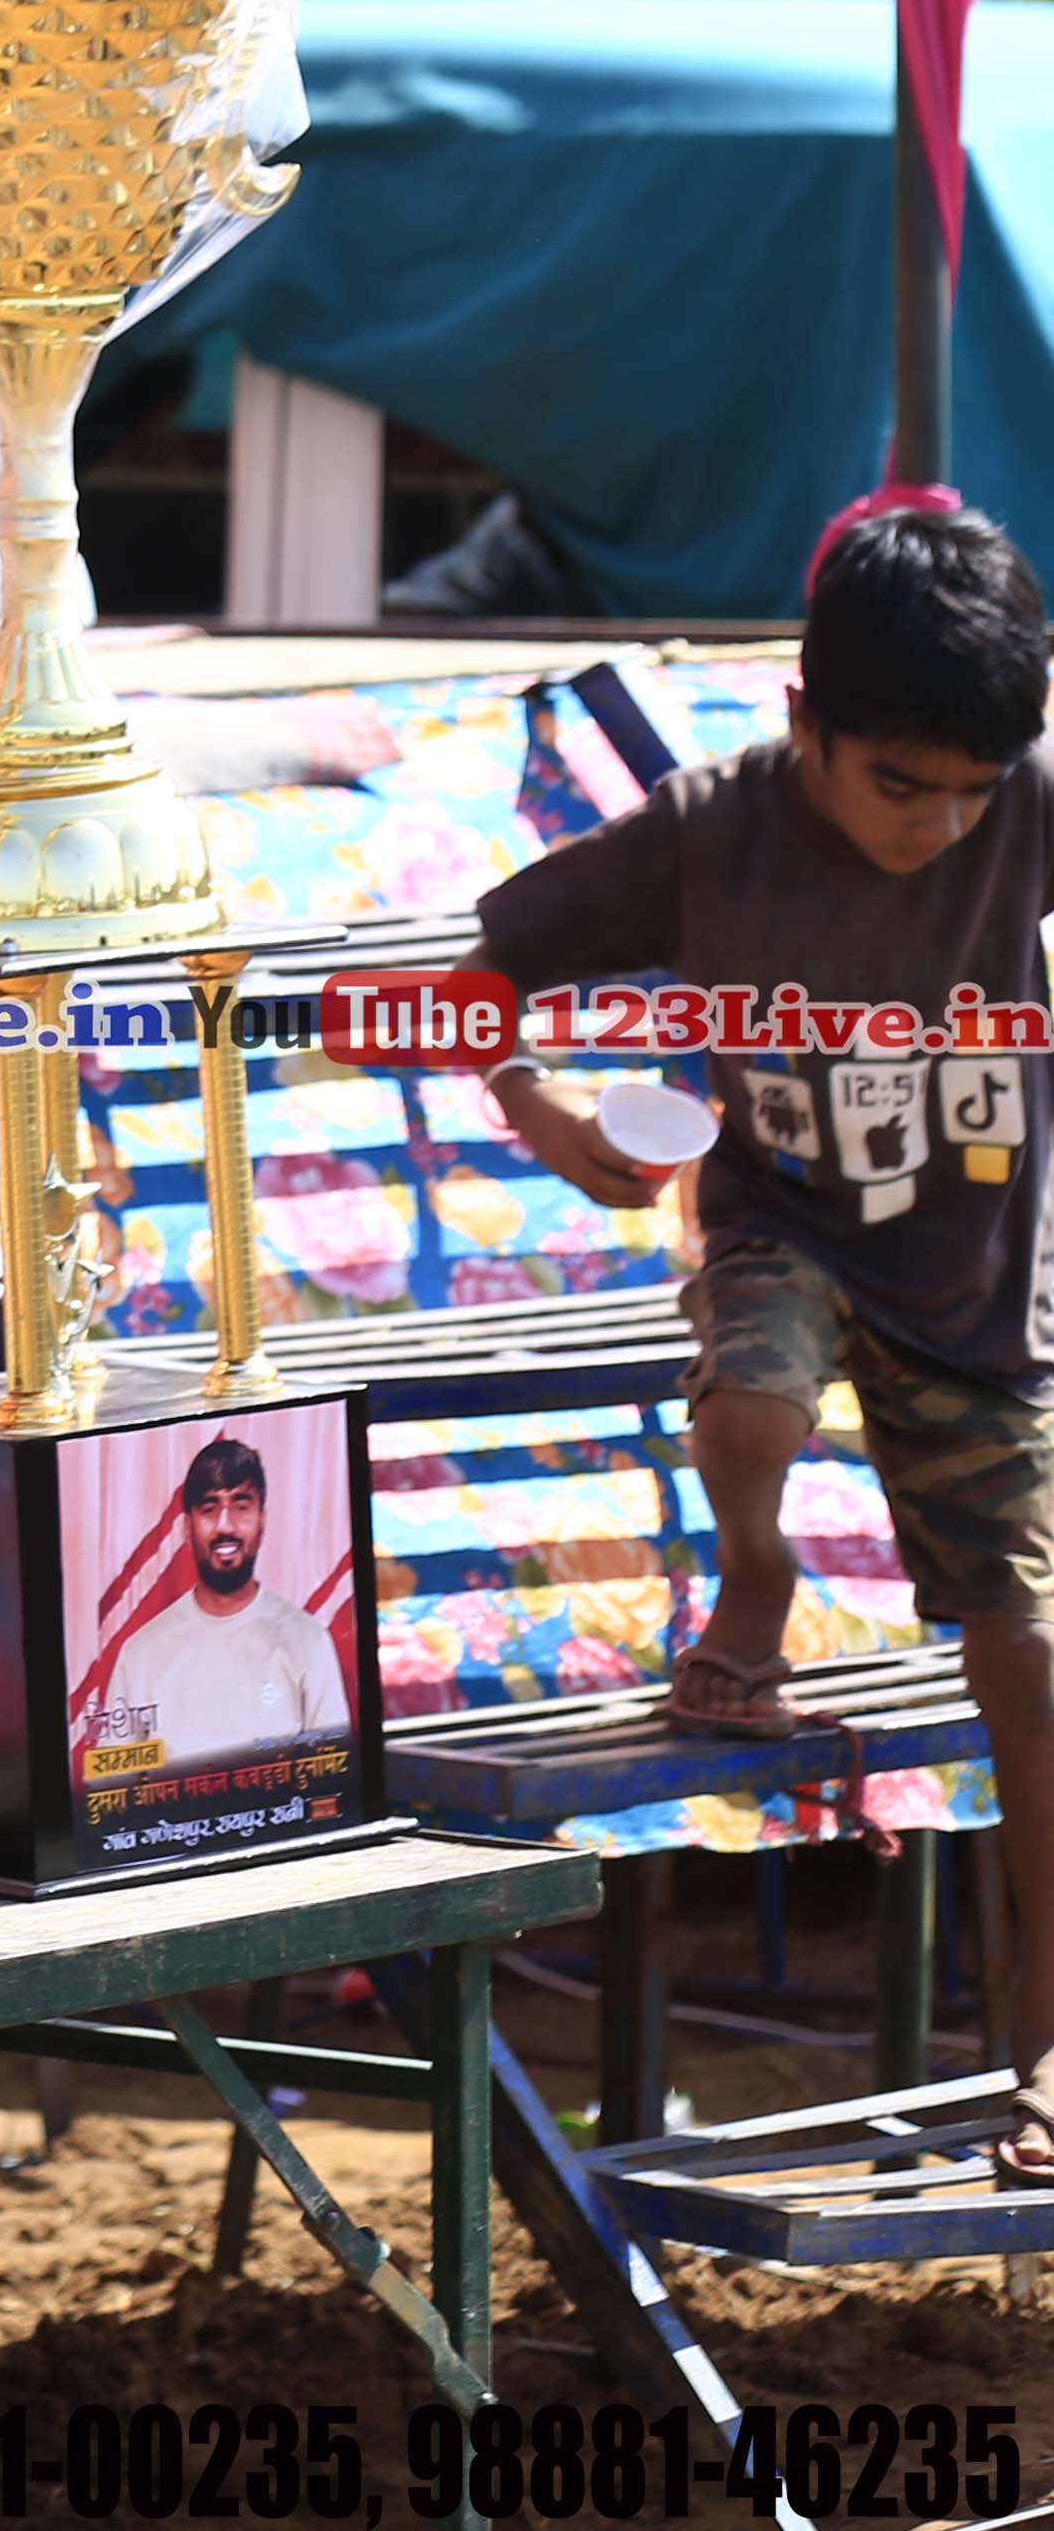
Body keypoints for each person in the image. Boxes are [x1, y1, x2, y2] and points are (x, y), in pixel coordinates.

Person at [479, 493, 1054, 2178]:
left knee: (1034, 1650)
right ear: (806, 724)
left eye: (973, 791)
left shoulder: (1026, 799)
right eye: (901, 784)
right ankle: (756, 1570)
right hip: (780, 1226)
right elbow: (485, 971)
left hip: (979, 1286)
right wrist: (542, 1105)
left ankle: (1043, 2039)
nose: (940, 825)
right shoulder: (706, 830)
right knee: (754, 1394)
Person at [92, 1434, 350, 1772]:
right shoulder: (141, 1653)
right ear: (187, 1527)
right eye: (209, 1509)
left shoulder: (308, 1641)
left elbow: (332, 1775)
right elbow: (112, 1782)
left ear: (262, 1520)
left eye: (241, 1507)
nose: (225, 1526)